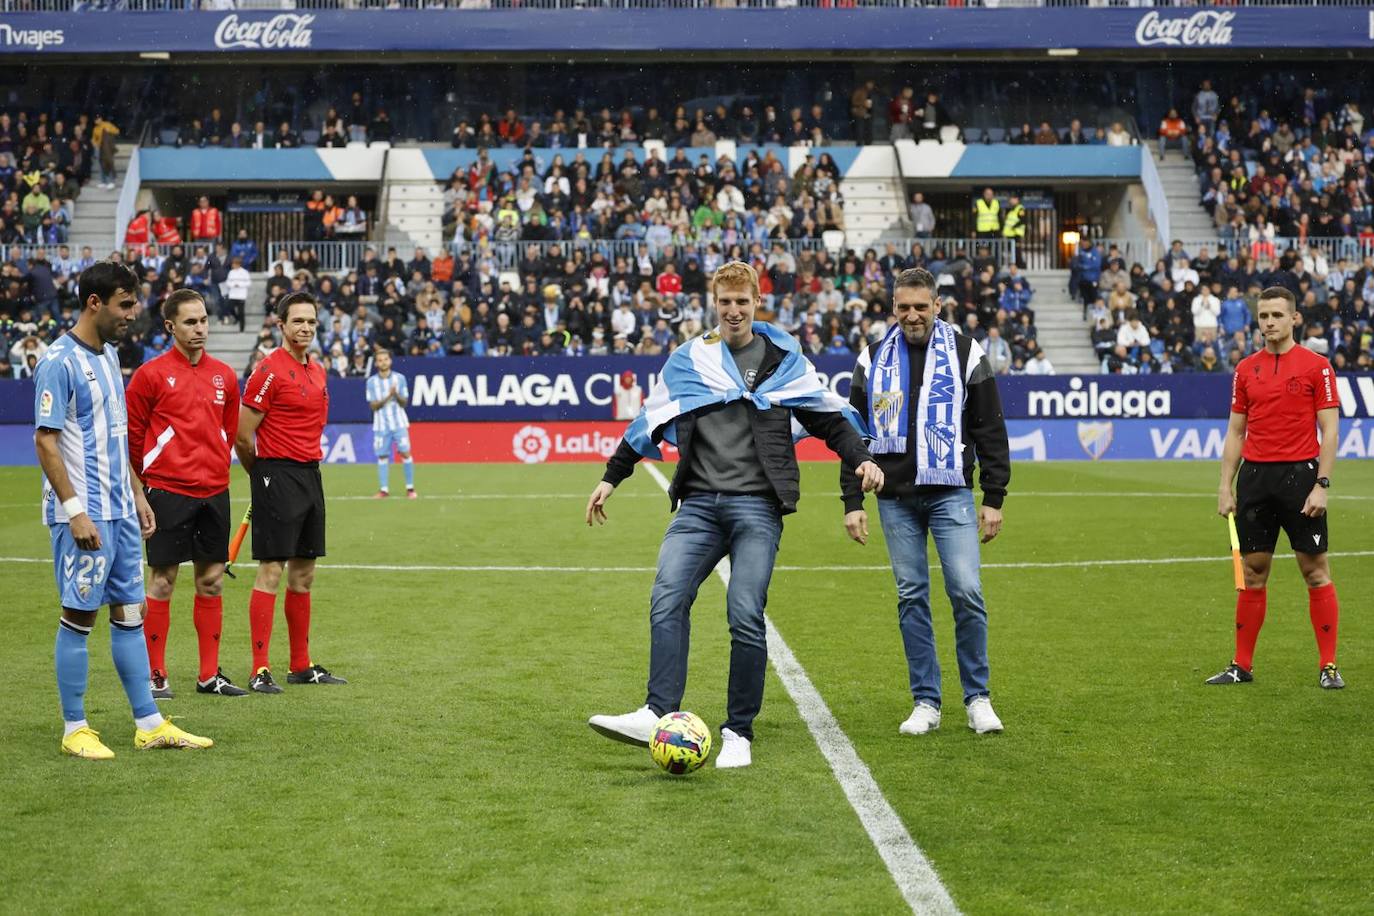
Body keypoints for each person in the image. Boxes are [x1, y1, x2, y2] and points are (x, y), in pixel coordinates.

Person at [584, 261, 883, 769]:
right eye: (725, 302)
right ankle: (657, 711)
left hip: (757, 508)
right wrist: (611, 477)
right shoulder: (692, 361)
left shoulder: (784, 360)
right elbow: (652, 418)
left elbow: (827, 418)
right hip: (698, 505)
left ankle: (738, 731)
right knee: (667, 597)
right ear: (714, 303)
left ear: (757, 301)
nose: (734, 310)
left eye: (743, 301)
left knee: (744, 613)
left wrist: (862, 458)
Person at [33, 260, 213, 758]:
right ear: (96, 303)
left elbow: (115, 437)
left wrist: (137, 494)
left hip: (120, 510)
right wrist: (74, 511)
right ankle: (75, 728)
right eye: (125, 304)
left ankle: (149, 723)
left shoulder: (110, 356)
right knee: (78, 616)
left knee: (130, 613)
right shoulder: (58, 361)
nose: (133, 313)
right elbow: (46, 442)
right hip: (84, 516)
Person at [841, 268, 1010, 736]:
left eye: (921, 306)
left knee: (966, 591)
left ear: (938, 306)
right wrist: (851, 500)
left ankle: (978, 697)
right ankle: (926, 701)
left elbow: (989, 427)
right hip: (892, 497)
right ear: (893, 309)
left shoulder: (964, 353)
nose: (912, 315)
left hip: (950, 492)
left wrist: (993, 496)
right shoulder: (872, 358)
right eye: (903, 307)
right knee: (911, 595)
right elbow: (853, 435)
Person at [1210, 287, 1344, 689]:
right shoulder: (1245, 369)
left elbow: (1331, 429)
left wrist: (1321, 485)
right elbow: (1236, 432)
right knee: (1253, 572)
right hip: (1255, 479)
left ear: (1294, 319)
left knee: (1315, 570)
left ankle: (1329, 666)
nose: (1269, 322)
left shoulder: (1316, 367)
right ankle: (1241, 665)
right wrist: (1225, 485)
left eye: (1277, 315)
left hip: (1299, 478)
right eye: (1264, 315)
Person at [125, 288, 246, 699]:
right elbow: (132, 439)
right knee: (163, 582)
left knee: (211, 581)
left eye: (204, 320)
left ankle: (208, 676)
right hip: (167, 492)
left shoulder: (225, 376)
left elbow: (228, 431)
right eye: (191, 322)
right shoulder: (151, 375)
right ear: (170, 326)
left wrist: (212, 467)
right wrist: (141, 491)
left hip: (214, 491)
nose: (200, 328)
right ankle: (156, 675)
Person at [235, 291, 346, 693]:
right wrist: (261, 478)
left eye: (311, 322)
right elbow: (242, 436)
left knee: (305, 573)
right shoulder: (267, 370)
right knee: (272, 570)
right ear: (280, 325)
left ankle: (301, 664)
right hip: (276, 475)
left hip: (310, 475)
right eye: (298, 321)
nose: (305, 328)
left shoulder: (317, 371)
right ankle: (259, 668)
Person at [366, 347, 416, 499]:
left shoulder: (399, 379)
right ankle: (384, 489)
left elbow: (404, 402)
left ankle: (410, 488)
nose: (383, 362)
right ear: (376, 363)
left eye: (385, 359)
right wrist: (389, 396)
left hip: (399, 423)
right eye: (380, 360)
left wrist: (396, 394)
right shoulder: (371, 382)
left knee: (405, 453)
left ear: (390, 361)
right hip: (381, 425)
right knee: (382, 456)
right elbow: (373, 406)